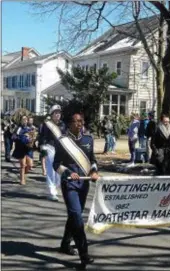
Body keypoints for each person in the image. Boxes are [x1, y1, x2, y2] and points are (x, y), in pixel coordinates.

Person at [53, 111, 99, 270]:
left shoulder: (88, 139)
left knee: (74, 215)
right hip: (70, 184)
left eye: (82, 121)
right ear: (70, 123)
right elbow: (56, 164)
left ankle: (65, 244)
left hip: (84, 184)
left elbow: (93, 160)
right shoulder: (62, 141)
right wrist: (67, 173)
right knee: (77, 218)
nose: (80, 124)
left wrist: (94, 171)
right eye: (76, 121)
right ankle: (84, 254)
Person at [40, 105, 66, 201]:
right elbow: (42, 136)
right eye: (56, 113)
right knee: (51, 170)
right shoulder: (47, 124)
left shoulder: (63, 124)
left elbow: (65, 137)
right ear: (51, 114)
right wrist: (42, 147)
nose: (58, 114)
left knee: (59, 170)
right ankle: (52, 192)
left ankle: (55, 187)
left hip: (59, 149)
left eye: (59, 113)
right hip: (49, 147)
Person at [12, 116, 34, 185]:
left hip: (28, 149)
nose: (25, 121)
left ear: (27, 121)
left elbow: (32, 137)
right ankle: (22, 179)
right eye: (23, 119)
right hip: (20, 148)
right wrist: (21, 137)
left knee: (30, 165)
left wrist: (31, 139)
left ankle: (24, 173)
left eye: (26, 119)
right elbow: (13, 137)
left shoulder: (29, 128)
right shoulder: (19, 128)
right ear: (21, 120)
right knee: (23, 165)